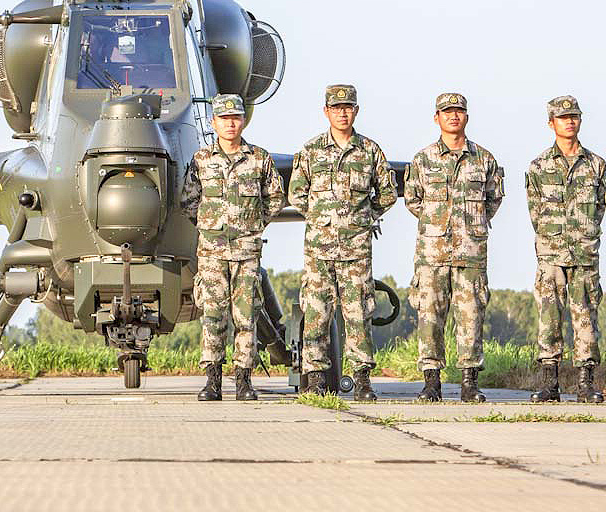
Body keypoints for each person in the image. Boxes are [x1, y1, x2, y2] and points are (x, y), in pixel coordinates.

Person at [288, 84, 397, 400]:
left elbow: (387, 193)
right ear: (326, 112)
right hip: (319, 250)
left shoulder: (370, 151)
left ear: (356, 111)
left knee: (358, 313)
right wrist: (322, 217)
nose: (342, 112)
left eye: (348, 107)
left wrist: (362, 216)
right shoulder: (310, 151)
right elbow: (296, 192)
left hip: (356, 250)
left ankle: (362, 380)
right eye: (336, 108)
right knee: (316, 314)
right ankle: (317, 380)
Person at [180, 94, 286, 401]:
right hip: (212, 253)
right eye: (224, 118)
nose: (230, 123)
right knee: (213, 316)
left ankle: (244, 381)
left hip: (246, 253)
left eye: (236, 118)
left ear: (243, 121)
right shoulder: (201, 161)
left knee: (246, 316)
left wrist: (253, 224)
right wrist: (210, 227)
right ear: (214, 123)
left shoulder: (259, 159)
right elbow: (188, 201)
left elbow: (275, 198)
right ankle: (212, 381)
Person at [404, 93, 504, 402]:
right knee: (429, 316)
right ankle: (431, 382)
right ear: (437, 118)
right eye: (447, 112)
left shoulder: (484, 160)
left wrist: (469, 226)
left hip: (470, 253)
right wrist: (437, 225)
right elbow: (413, 199)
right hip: (432, 254)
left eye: (459, 111)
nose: (453, 116)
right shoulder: (423, 159)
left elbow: (493, 199)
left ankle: (469, 383)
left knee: (471, 316)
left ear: (467, 117)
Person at [526, 96, 606, 403]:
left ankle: (586, 384)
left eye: (573, 116)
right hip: (551, 254)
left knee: (586, 316)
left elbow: (599, 208)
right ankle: (550, 384)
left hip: (585, 253)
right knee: (549, 317)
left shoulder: (596, 165)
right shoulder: (538, 166)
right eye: (562, 117)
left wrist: (584, 235)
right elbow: (535, 210)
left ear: (580, 120)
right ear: (551, 123)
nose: (569, 121)